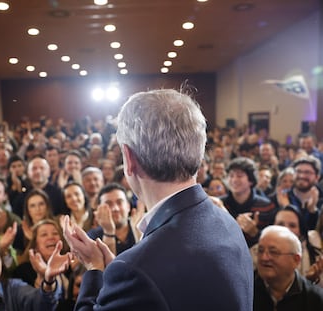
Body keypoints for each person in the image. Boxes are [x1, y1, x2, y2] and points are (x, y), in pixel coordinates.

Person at [62, 88, 253, 310]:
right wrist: (120, 273)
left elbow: (154, 276)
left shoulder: (136, 270)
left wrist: (94, 269)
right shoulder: (227, 221)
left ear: (129, 158)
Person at [254, 225, 323, 310]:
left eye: (273, 252)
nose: (264, 257)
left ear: (296, 260)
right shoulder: (246, 290)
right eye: (260, 251)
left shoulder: (315, 299)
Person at [221, 156, 278, 247]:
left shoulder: (266, 206)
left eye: (239, 176)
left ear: (251, 180)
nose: (234, 180)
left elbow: (272, 242)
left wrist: (254, 232)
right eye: (231, 176)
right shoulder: (220, 204)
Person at [87, 183, 140, 255]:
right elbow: (106, 265)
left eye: (119, 202)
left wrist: (138, 233)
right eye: (108, 204)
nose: (115, 208)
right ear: (99, 209)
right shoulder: (93, 237)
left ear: (128, 206)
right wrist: (108, 232)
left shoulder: (141, 228)